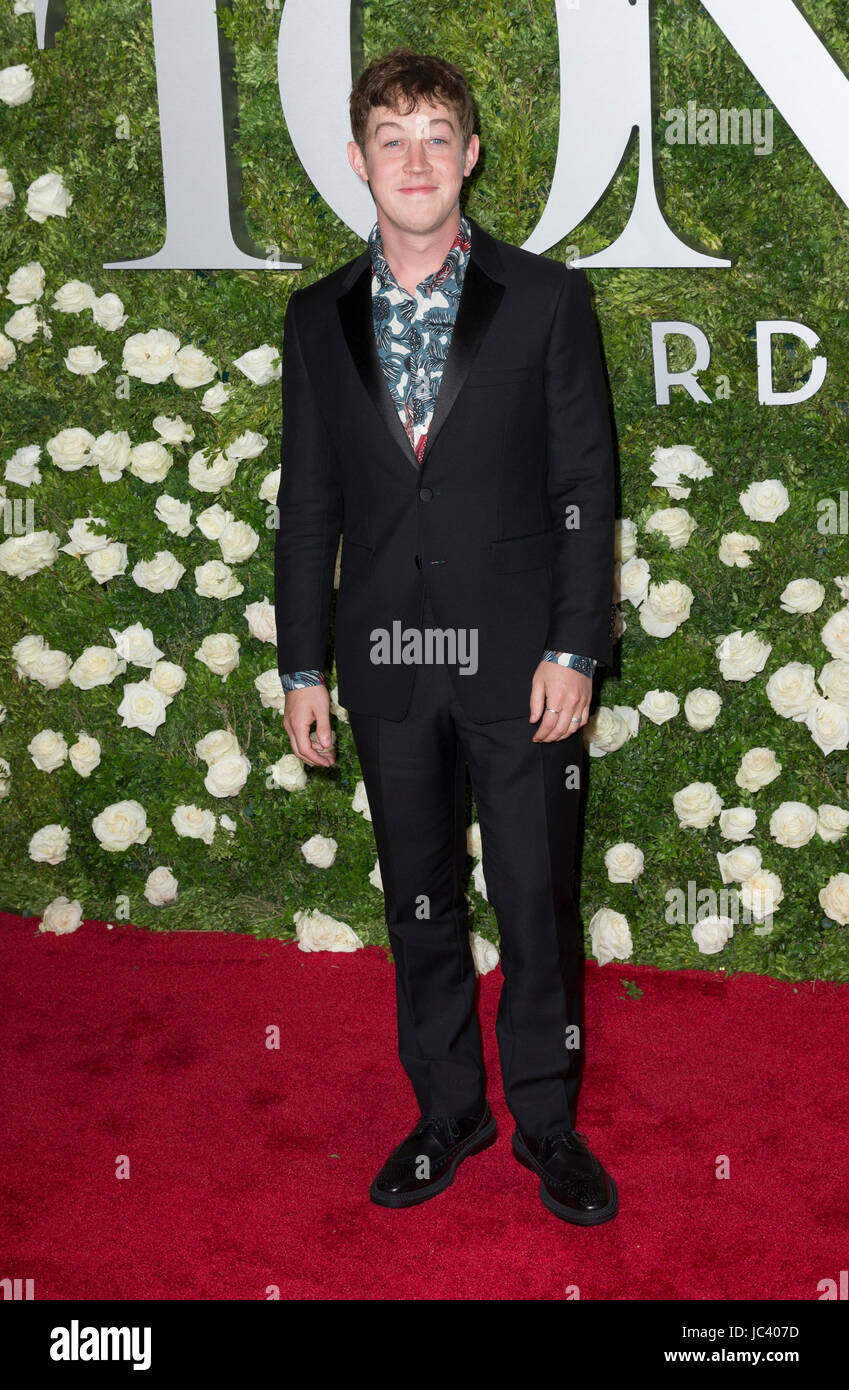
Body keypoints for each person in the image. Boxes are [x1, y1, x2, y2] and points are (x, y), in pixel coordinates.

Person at [274, 46, 618, 1225]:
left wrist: (576, 649)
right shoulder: (315, 317)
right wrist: (301, 663)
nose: (414, 158)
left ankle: (548, 1121)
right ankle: (448, 1110)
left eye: (436, 135)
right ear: (359, 161)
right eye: (391, 137)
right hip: (390, 667)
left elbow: (587, 482)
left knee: (532, 896)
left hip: (522, 666)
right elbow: (308, 500)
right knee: (417, 895)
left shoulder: (548, 300)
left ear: (470, 155)